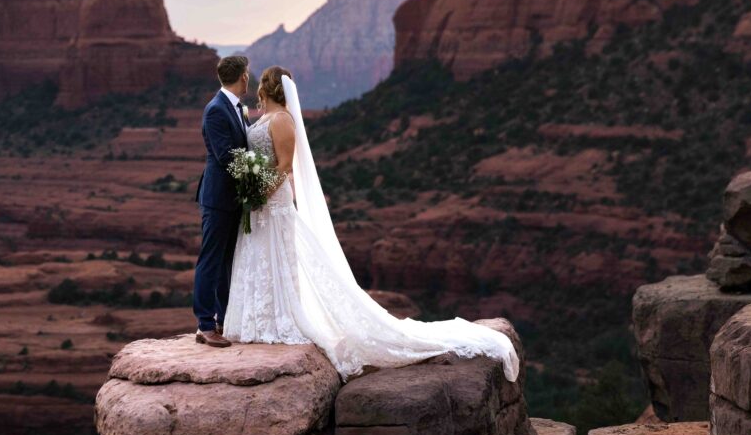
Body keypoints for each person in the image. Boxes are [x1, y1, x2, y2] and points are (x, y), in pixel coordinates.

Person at [221, 66, 520, 382]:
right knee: (260, 256)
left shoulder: (282, 120)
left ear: (265, 90)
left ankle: (279, 320)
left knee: (279, 256)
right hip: (258, 201)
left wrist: (261, 191)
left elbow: (284, 166)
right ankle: (256, 320)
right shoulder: (266, 118)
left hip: (273, 200)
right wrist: (249, 183)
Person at [192, 55, 251, 348]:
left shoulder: (238, 108)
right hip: (217, 199)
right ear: (243, 77)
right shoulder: (216, 110)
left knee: (227, 261)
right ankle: (205, 325)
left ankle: (224, 320)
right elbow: (225, 155)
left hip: (231, 199)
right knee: (211, 260)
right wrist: (256, 174)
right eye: (247, 74)